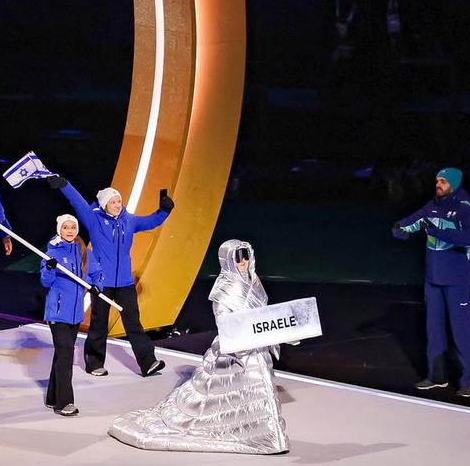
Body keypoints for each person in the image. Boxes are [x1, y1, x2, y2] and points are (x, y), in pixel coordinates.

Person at [110, 239, 288, 453]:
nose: (243, 261)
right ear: (228, 260)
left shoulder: (254, 282)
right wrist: (243, 336)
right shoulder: (224, 288)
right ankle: (262, 438)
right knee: (240, 392)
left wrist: (280, 331)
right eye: (237, 257)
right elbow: (223, 320)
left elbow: (264, 314)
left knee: (259, 391)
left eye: (246, 255)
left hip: (255, 345)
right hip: (236, 347)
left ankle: (268, 437)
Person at [51, 176, 172, 377]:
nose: (117, 205)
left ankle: (148, 362)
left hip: (125, 283)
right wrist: (65, 185)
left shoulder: (129, 220)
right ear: (105, 204)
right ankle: (94, 362)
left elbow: (151, 221)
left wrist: (165, 210)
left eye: (119, 201)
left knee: (133, 322)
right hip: (101, 282)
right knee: (99, 323)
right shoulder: (94, 220)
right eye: (113, 202)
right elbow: (78, 203)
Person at [392, 167, 470, 398]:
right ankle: (436, 376)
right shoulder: (432, 205)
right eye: (437, 180)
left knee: (461, 330)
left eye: (443, 181)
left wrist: (438, 231)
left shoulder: (463, 208)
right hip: (433, 280)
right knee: (434, 329)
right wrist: (400, 228)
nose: (438, 184)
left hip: (456, 280)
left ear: (453, 183)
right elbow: (414, 222)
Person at [41, 213, 99, 417]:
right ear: (60, 230)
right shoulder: (52, 252)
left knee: (61, 354)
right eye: (65, 227)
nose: (69, 231)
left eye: (73, 227)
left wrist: (96, 286)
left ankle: (52, 397)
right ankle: (64, 402)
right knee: (66, 354)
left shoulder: (83, 251)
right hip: (57, 314)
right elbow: (45, 282)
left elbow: (96, 272)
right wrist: (49, 269)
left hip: (75, 315)